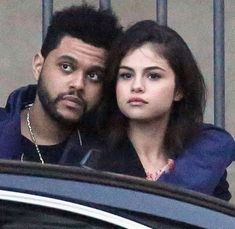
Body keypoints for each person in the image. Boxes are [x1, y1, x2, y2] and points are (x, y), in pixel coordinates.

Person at [89, 20, 235, 201]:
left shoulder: (203, 151)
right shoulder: (91, 154)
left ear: (179, 90)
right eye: (126, 75)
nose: (137, 86)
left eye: (153, 76)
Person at [0, 4, 122, 165]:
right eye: (66, 67)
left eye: (93, 76)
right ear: (39, 66)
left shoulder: (110, 158)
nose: (78, 84)